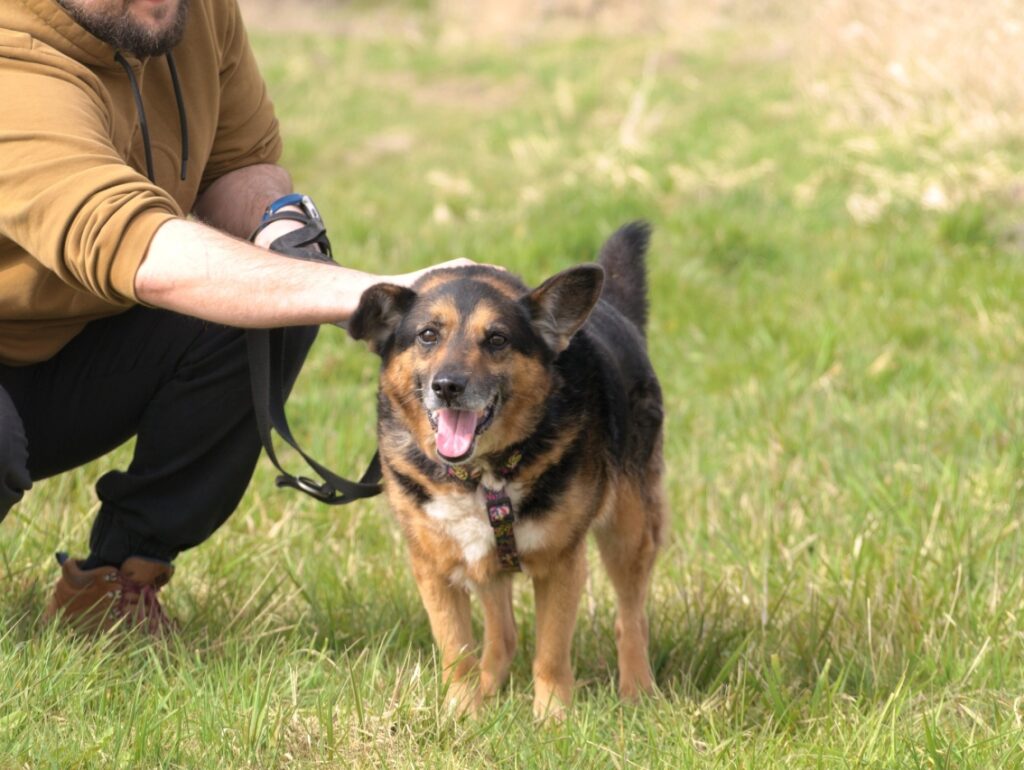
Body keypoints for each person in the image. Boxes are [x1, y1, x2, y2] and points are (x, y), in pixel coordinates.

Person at [0, 0, 465, 633]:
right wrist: (384, 299)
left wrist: (283, 227)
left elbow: (241, 161)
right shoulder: (12, 59)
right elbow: (139, 248)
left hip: (56, 346)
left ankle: (112, 585)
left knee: (281, 295)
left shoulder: (187, 12)